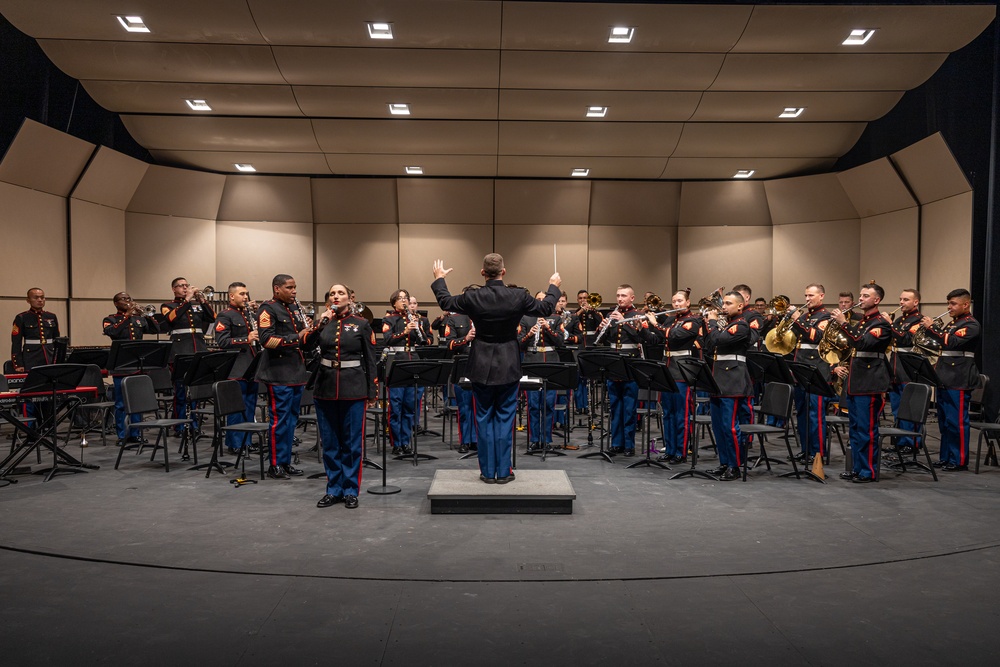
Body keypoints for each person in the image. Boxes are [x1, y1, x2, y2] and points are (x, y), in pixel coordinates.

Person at [432, 254, 560, 483]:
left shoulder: (473, 296)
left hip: (480, 363)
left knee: (483, 418)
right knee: (504, 418)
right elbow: (547, 307)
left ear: (482, 273)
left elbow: (445, 302)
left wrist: (439, 279)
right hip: (509, 363)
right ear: (504, 271)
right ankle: (503, 472)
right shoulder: (518, 295)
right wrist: (553, 285)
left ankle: (487, 472)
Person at [304, 284, 378, 509]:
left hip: (353, 388)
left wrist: (372, 390)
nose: (336, 296)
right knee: (330, 443)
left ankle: (350, 490)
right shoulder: (323, 323)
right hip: (325, 387)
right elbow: (306, 346)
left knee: (352, 443)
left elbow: (370, 360)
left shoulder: (361, 324)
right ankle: (333, 489)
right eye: (333, 294)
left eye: (341, 293)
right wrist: (319, 324)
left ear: (349, 298)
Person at [832, 283, 892, 483]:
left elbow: (861, 342)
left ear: (877, 300)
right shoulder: (862, 322)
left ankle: (868, 471)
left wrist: (843, 323)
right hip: (856, 381)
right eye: (860, 295)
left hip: (870, 382)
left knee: (867, 430)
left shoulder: (880, 324)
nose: (861, 299)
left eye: (866, 296)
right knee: (856, 429)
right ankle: (857, 468)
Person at [255, 274, 310, 479]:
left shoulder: (295, 308)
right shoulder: (267, 308)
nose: (294, 291)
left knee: (291, 420)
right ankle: (275, 464)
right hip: (278, 372)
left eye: (295, 287)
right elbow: (266, 340)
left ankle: (285, 462)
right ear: (277, 289)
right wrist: (298, 337)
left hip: (296, 370)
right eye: (289, 287)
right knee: (279, 420)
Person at [920, 289, 980, 471]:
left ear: (965, 304)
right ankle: (946, 456)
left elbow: (951, 342)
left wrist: (932, 328)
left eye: (953, 304)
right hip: (944, 376)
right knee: (944, 422)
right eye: (949, 303)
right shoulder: (952, 324)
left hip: (959, 377)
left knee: (957, 422)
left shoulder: (971, 325)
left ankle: (959, 460)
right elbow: (940, 342)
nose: (949, 307)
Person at [596, 284, 656, 456]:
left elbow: (642, 338)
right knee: (615, 405)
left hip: (630, 362)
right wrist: (603, 328)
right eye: (618, 295)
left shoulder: (638, 315)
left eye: (623, 295)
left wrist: (623, 320)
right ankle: (616, 443)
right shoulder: (610, 315)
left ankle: (629, 445)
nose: (620, 299)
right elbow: (603, 340)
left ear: (632, 298)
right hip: (614, 362)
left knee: (629, 406)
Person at [647, 289, 702, 464]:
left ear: (688, 302)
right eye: (674, 301)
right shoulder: (672, 320)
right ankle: (670, 449)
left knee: (681, 414)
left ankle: (681, 451)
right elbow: (656, 340)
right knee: (668, 414)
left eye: (680, 301)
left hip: (681, 371)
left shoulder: (693, 321)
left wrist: (655, 324)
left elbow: (675, 336)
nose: (676, 304)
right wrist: (642, 329)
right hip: (668, 370)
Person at [704, 291, 753, 480]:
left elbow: (718, 340)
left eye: (728, 303)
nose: (723, 307)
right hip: (718, 379)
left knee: (730, 426)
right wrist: (710, 324)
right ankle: (724, 463)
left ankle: (735, 466)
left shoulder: (741, 325)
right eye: (723, 303)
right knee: (718, 426)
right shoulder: (727, 325)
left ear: (740, 306)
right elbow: (708, 344)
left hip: (733, 380)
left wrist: (713, 322)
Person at [102, 292, 159, 443]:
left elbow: (156, 329)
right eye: (124, 299)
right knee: (121, 403)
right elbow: (112, 332)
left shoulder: (139, 319)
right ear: (116, 303)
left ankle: (136, 433)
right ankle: (123, 435)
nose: (128, 301)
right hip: (121, 365)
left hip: (137, 365)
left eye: (129, 298)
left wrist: (147, 316)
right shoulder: (110, 319)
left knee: (137, 402)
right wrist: (127, 315)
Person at [160, 278, 216, 425]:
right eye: (181, 286)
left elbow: (213, 318)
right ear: (173, 289)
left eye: (187, 285)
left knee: (195, 389)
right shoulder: (167, 305)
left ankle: (194, 422)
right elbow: (172, 318)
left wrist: (202, 300)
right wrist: (187, 299)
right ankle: (179, 424)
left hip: (198, 348)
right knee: (180, 390)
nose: (185, 288)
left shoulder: (196, 305)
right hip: (180, 351)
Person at [214, 282, 260, 455]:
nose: (246, 297)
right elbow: (223, 342)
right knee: (236, 408)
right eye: (242, 294)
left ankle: (246, 441)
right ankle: (235, 442)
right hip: (235, 368)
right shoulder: (225, 315)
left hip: (251, 365)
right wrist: (245, 339)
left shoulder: (249, 314)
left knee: (250, 406)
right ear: (231, 296)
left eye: (246, 294)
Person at [382, 289, 428, 455]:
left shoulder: (414, 318)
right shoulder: (389, 319)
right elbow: (387, 339)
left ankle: (406, 441)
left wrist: (418, 328)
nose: (403, 301)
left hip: (412, 361)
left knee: (409, 406)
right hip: (396, 363)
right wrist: (405, 332)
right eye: (400, 299)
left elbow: (426, 341)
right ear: (394, 302)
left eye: (405, 298)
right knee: (396, 406)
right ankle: (396, 443)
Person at [789, 283, 832, 463]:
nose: (807, 299)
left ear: (821, 296)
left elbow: (816, 337)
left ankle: (818, 454)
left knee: (816, 416)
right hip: (801, 370)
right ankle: (806, 449)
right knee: (802, 414)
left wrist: (798, 320)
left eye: (811, 296)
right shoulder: (806, 316)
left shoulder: (826, 316)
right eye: (806, 295)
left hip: (817, 372)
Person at [519, 291, 566, 452]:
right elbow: (519, 343)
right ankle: (534, 439)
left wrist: (548, 328)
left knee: (548, 404)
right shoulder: (526, 319)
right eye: (537, 300)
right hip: (532, 363)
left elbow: (561, 342)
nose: (540, 302)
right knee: (533, 405)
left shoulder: (555, 318)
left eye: (543, 300)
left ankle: (546, 439)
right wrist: (530, 334)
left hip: (551, 364)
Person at [887, 289, 923, 451]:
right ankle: (900, 442)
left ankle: (911, 443)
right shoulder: (900, 320)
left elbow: (907, 339)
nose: (901, 302)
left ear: (916, 302)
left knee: (909, 408)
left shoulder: (919, 321)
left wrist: (889, 325)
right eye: (900, 299)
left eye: (906, 300)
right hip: (895, 367)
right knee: (896, 408)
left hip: (909, 369)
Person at [443, 291, 477, 454]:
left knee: (479, 406)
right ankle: (465, 440)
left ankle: (476, 440)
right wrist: (466, 339)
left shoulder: (484, 318)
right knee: (464, 406)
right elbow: (448, 344)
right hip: (462, 364)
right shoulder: (454, 319)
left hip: (481, 364)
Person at [11, 287, 59, 372]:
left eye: (42, 297)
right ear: (28, 300)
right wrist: (18, 364)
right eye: (36, 298)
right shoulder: (22, 317)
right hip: (31, 357)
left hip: (50, 356)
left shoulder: (51, 316)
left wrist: (58, 359)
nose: (40, 300)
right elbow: (16, 343)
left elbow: (57, 339)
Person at [572, 289, 602, 415]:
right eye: (580, 298)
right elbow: (570, 323)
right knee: (578, 378)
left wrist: (593, 310)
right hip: (579, 347)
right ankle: (579, 406)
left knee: (590, 378)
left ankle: (589, 406)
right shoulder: (574, 313)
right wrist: (580, 311)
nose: (583, 300)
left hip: (591, 346)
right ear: (577, 300)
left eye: (585, 298)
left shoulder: (595, 313)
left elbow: (600, 325)